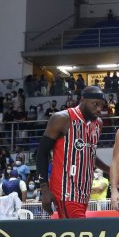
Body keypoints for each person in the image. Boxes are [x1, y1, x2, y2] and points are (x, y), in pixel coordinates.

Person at [36, 85, 108, 219]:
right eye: (95, 104)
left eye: (102, 105)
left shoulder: (98, 123)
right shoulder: (61, 118)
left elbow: (90, 154)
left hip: (85, 191)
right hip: (65, 190)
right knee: (81, 229)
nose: (99, 109)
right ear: (83, 100)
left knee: (72, 231)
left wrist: (109, 170)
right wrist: (44, 188)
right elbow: (41, 153)